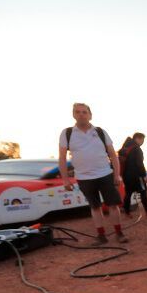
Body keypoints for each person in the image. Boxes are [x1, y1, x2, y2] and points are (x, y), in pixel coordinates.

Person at [58, 103, 127, 245]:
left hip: (105, 174)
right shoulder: (67, 133)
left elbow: (113, 155)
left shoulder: (100, 132)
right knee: (95, 207)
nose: (81, 114)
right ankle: (101, 235)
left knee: (113, 205)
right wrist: (65, 180)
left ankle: (119, 233)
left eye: (84, 112)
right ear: (73, 114)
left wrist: (117, 175)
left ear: (90, 115)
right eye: (78, 112)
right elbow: (62, 158)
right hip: (84, 177)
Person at [120, 132, 147, 217]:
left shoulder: (125, 147)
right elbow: (140, 164)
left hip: (126, 175)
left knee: (128, 193)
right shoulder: (137, 149)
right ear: (137, 138)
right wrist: (144, 176)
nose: (142, 142)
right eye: (142, 139)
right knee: (143, 192)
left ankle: (127, 212)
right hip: (137, 176)